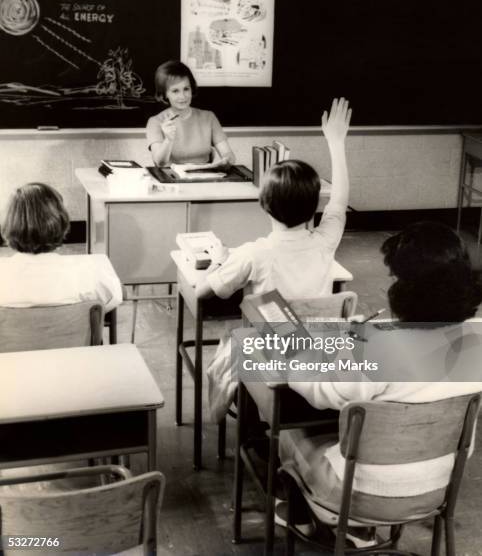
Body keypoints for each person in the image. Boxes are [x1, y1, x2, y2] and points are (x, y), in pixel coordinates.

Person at [278, 221, 482, 548]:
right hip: (438, 488)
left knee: (289, 435)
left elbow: (320, 394)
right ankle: (358, 532)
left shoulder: (377, 348)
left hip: (361, 496)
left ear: (405, 288)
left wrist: (296, 358)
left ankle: (305, 517)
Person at [195, 97, 352, 422]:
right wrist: (336, 143)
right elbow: (339, 201)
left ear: (264, 204)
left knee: (232, 343)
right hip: (316, 352)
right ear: (313, 208)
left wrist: (218, 262)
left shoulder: (254, 254)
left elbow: (201, 292)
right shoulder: (326, 242)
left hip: (271, 357)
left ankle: (250, 422)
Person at [0, 182, 122, 313]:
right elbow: (113, 299)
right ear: (61, 222)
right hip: (75, 333)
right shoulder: (90, 274)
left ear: (8, 224)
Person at [146, 60, 235, 167]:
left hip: (204, 178)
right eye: (175, 91)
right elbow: (159, 163)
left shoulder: (209, 117)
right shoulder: (155, 122)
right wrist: (168, 140)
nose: (183, 96)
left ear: (192, 89)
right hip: (172, 179)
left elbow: (228, 154)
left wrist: (227, 160)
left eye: (186, 89)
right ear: (165, 94)